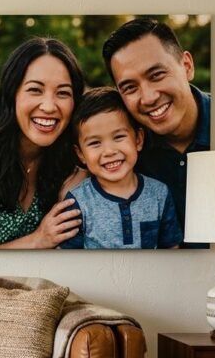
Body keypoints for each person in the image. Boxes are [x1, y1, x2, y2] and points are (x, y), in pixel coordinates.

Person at [102, 18, 210, 247]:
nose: (149, 97)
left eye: (157, 75)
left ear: (187, 66)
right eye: (130, 87)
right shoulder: (121, 150)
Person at [0, 37, 86, 249]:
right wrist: (37, 240)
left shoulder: (73, 160)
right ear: (12, 93)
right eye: (35, 90)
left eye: (63, 93)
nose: (49, 106)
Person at [59, 87, 183, 249]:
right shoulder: (78, 201)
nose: (109, 151)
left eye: (118, 137)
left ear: (138, 139)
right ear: (81, 153)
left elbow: (172, 249)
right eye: (95, 143)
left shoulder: (160, 193)